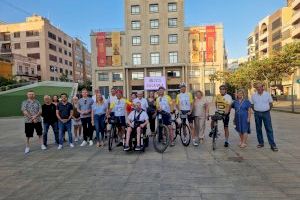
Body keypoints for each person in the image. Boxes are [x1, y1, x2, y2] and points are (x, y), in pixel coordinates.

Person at [251, 83, 278, 151]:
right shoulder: (253, 96)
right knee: (258, 129)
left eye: (260, 87)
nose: (259, 88)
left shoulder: (267, 94)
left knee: (269, 129)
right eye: (257, 87)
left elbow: (271, 104)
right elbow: (252, 104)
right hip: (257, 114)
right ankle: (260, 143)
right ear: (256, 88)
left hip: (266, 113)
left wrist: (267, 110)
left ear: (263, 87)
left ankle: (272, 144)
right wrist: (256, 110)